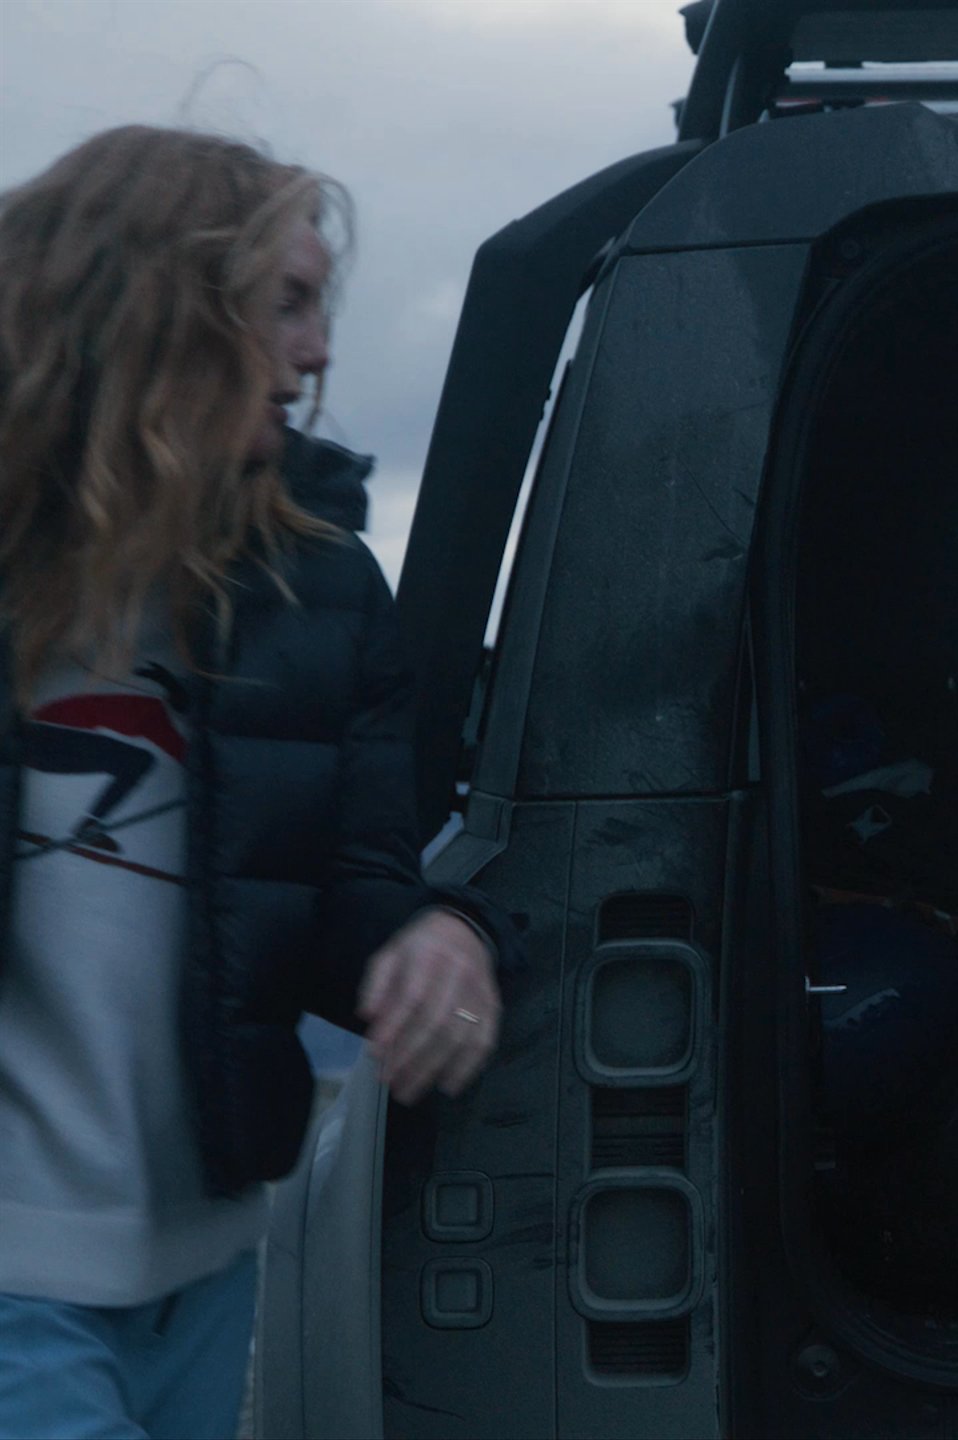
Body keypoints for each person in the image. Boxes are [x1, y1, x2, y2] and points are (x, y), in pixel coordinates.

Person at [0, 126, 519, 1439]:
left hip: (204, 1262)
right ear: (156, 309)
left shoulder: (322, 590)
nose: (321, 351)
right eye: (286, 302)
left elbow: (353, 881)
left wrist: (444, 938)